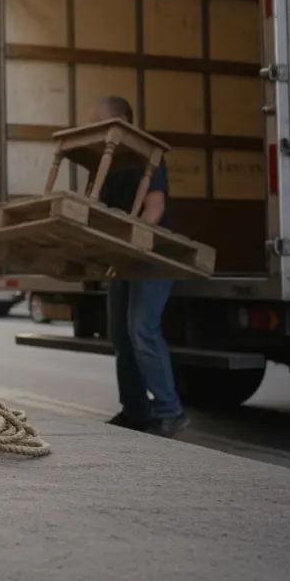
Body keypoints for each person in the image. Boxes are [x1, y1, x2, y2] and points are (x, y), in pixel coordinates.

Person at [89, 96, 189, 438]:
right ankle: (135, 410)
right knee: (121, 334)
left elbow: (154, 208)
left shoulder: (148, 155)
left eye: (101, 124)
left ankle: (170, 411)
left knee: (142, 329)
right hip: (124, 258)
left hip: (153, 256)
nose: (96, 132)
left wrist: (130, 244)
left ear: (123, 123)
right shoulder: (106, 162)